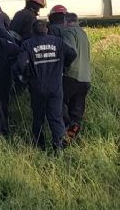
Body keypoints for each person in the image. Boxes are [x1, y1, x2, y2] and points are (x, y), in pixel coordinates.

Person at [14, 20, 76, 152]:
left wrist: (26, 76)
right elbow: (72, 53)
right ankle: (59, 148)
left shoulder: (28, 44)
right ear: (46, 30)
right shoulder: (57, 42)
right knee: (56, 118)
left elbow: (20, 65)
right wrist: (64, 65)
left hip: (37, 87)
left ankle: (39, 146)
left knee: (38, 118)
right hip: (55, 87)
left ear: (33, 31)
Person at [61, 12, 91, 145]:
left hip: (71, 76)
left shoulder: (69, 32)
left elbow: (70, 51)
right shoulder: (83, 34)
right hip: (85, 78)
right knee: (76, 113)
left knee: (58, 103)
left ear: (66, 22)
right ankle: (69, 139)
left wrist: (64, 66)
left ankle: (65, 128)